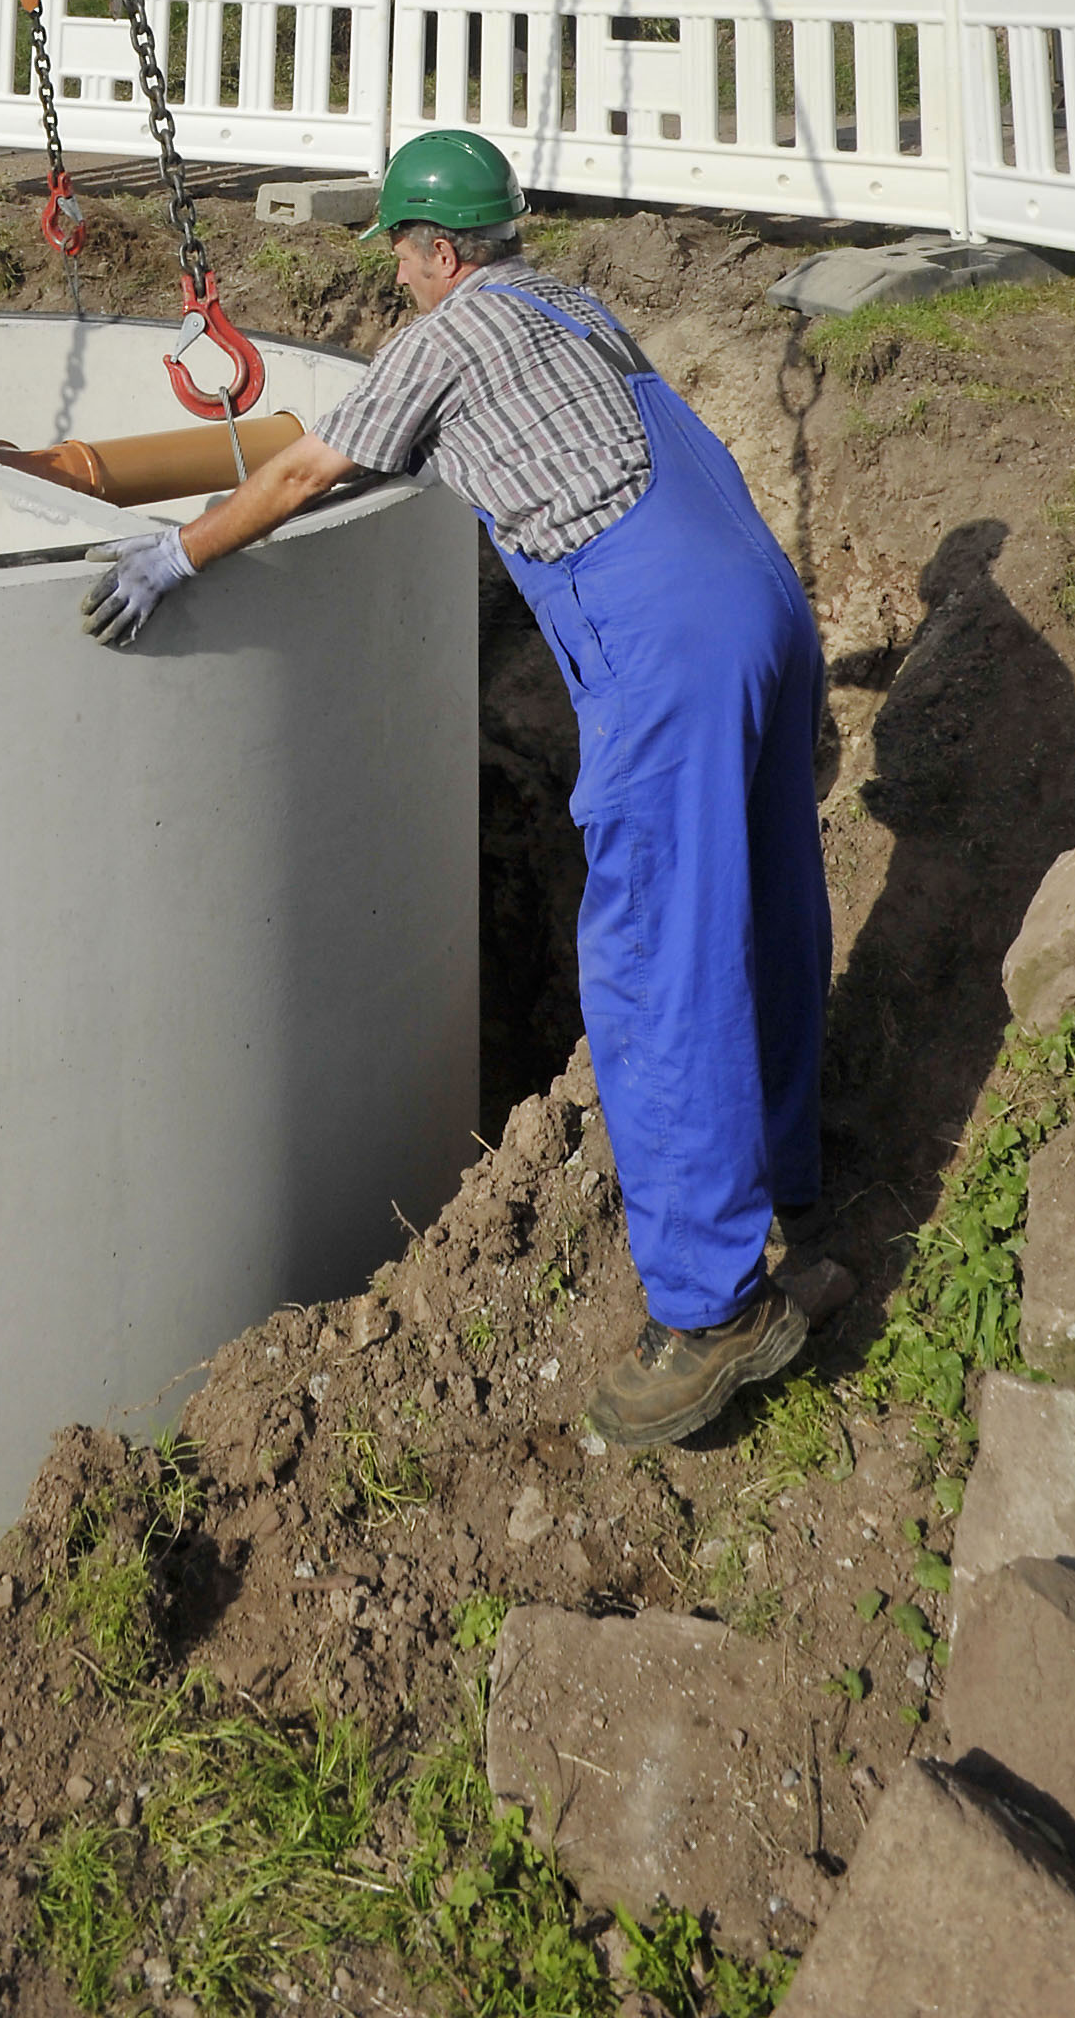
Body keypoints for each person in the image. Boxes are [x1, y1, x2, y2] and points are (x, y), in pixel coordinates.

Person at [80, 125, 835, 1452]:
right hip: (760, 601)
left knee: (654, 958)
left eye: (401, 255)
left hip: (663, 641)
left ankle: (714, 1311)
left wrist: (177, 556)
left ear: (438, 251)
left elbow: (306, 468)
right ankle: (793, 1185)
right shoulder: (570, 302)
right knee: (764, 908)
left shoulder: (447, 338)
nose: (396, 276)